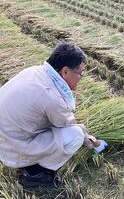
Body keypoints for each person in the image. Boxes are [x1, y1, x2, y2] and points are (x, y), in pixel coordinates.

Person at [0, 41, 107, 187]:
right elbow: (67, 125)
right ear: (65, 71)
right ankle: (35, 173)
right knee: (75, 135)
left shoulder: (34, 71)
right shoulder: (52, 97)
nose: (81, 77)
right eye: (80, 73)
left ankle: (29, 162)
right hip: (12, 146)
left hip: (6, 137)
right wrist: (92, 141)